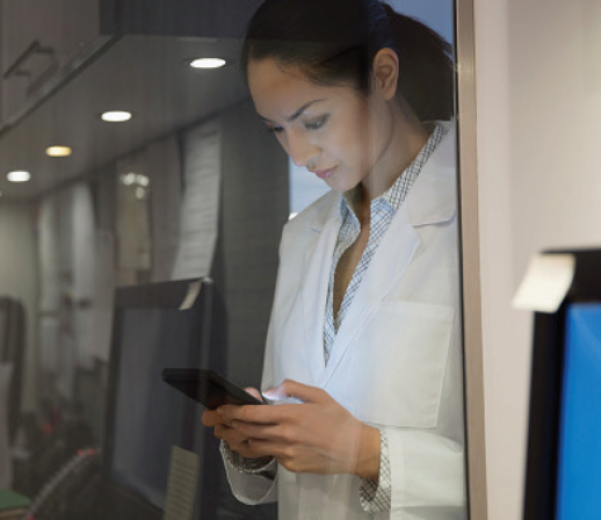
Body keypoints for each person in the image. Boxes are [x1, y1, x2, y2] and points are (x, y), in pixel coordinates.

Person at [202, 0, 466, 518]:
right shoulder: (302, 235)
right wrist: (260, 442)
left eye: (314, 120)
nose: (298, 154)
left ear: (383, 75)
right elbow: (297, 431)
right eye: (276, 129)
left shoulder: (483, 213)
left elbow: (538, 459)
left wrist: (366, 453)